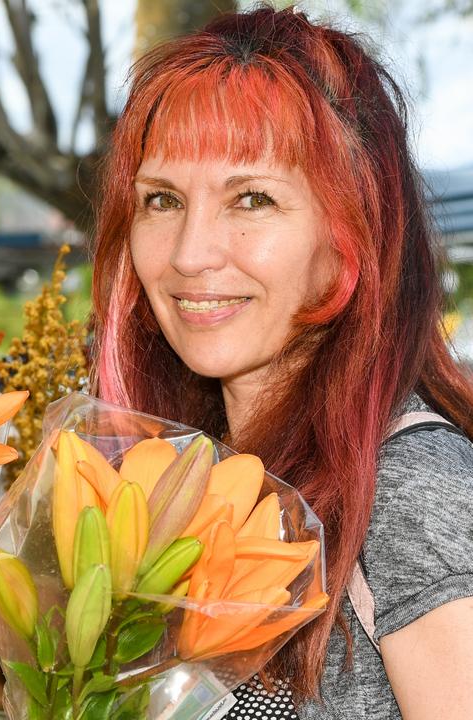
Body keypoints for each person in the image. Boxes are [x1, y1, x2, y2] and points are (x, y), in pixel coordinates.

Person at [91, 6, 473, 718]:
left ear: (352, 230)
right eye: (162, 200)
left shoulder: (407, 496)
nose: (188, 254)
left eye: (252, 198)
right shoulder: (176, 476)